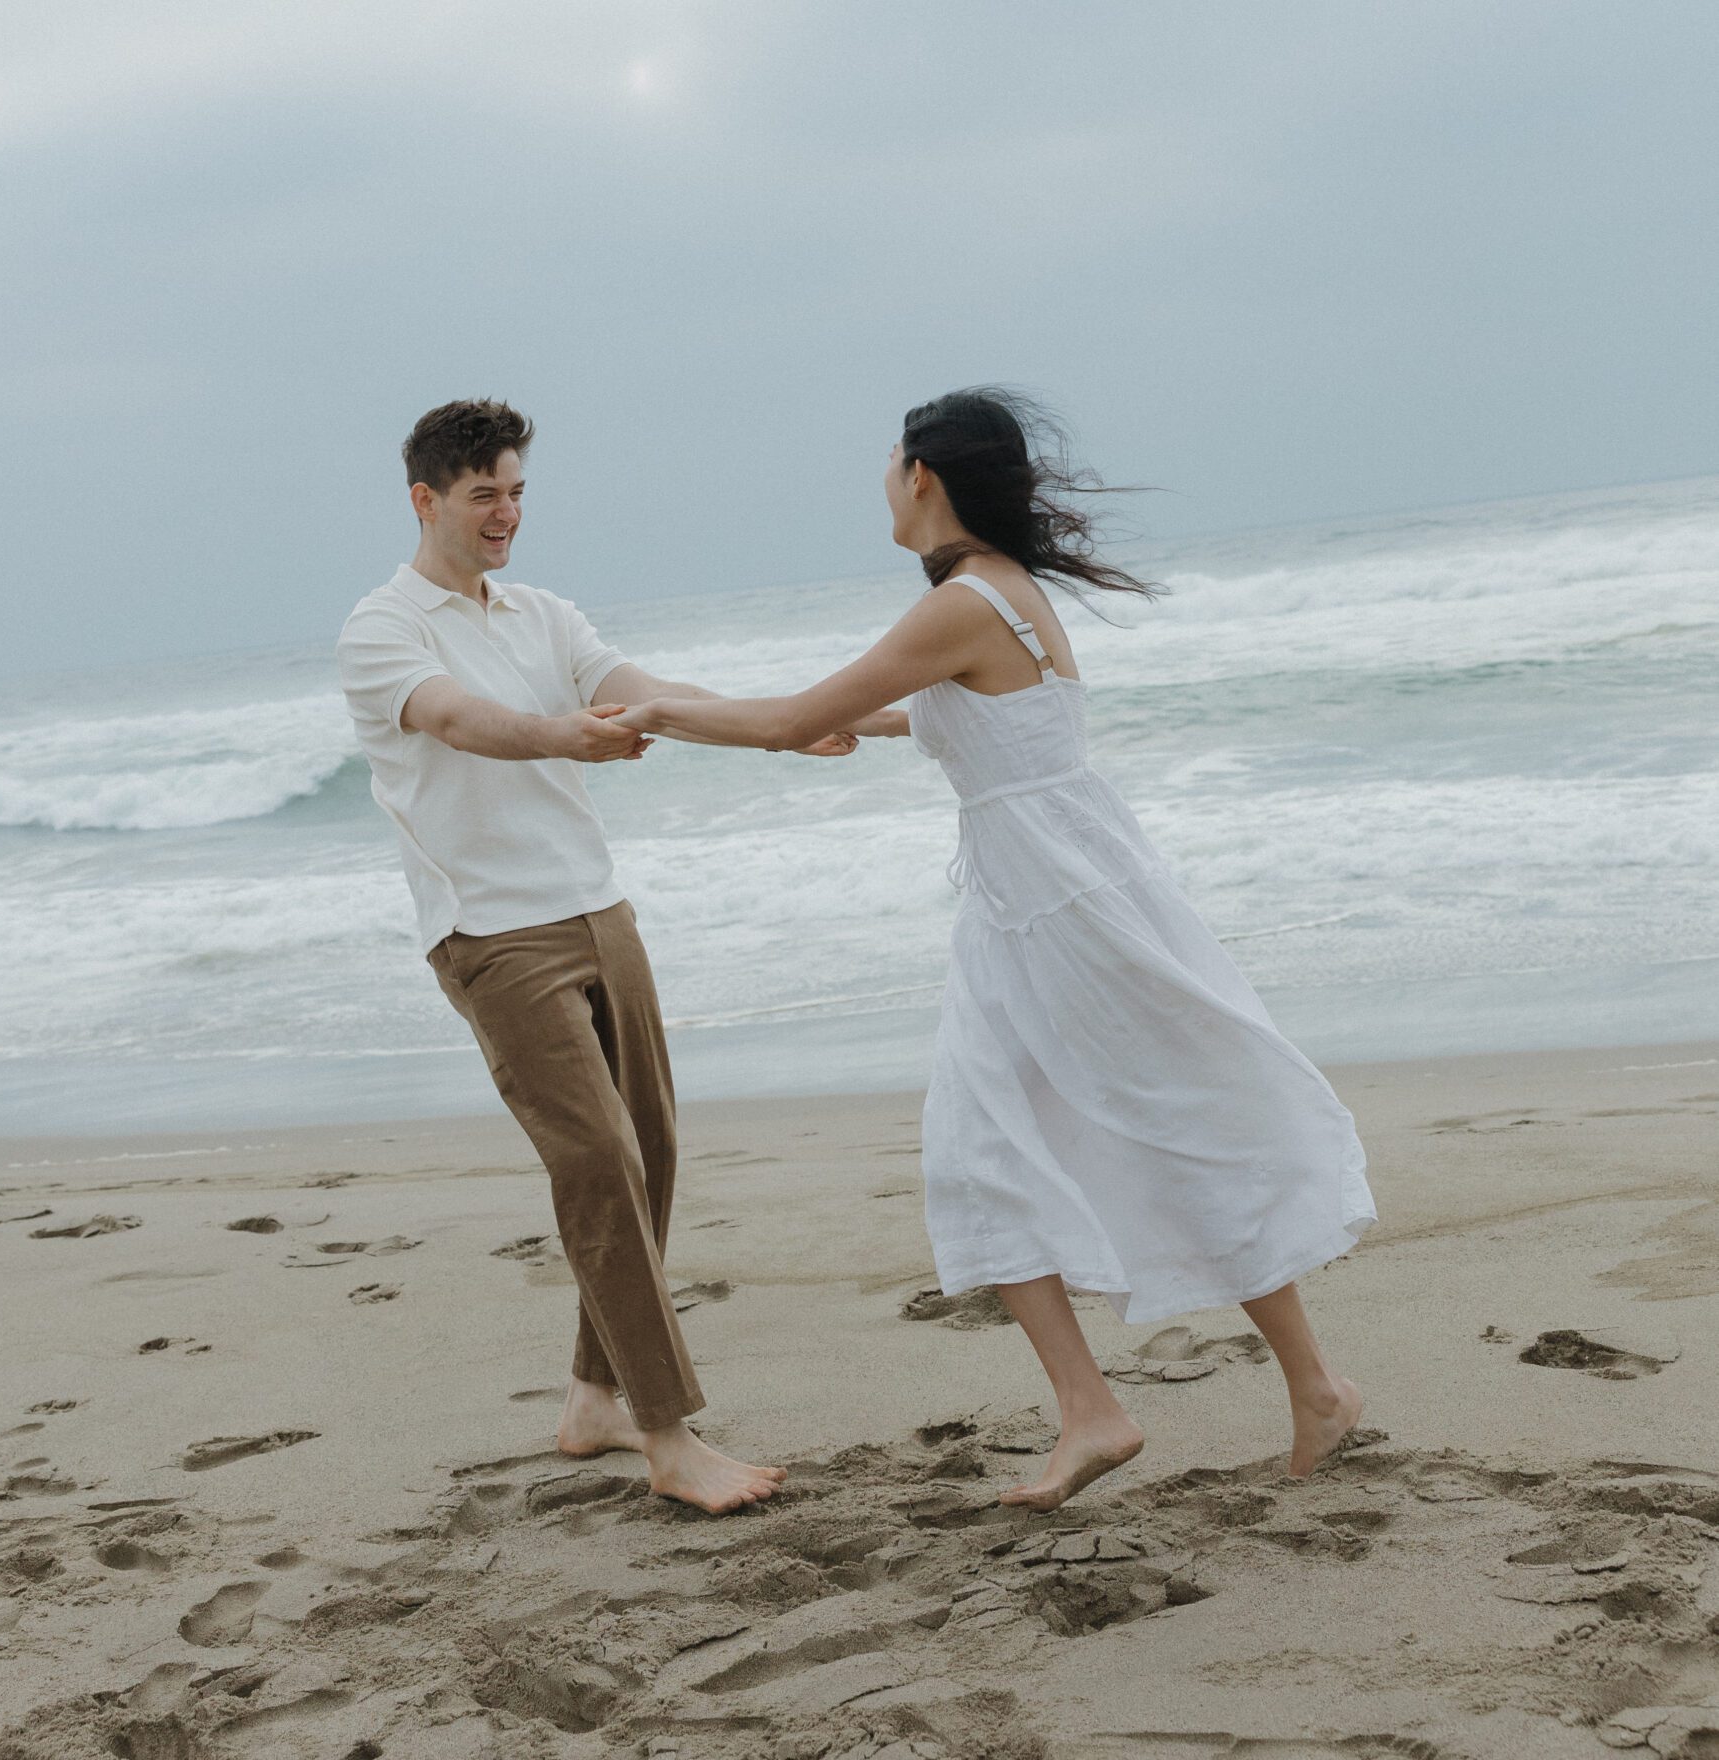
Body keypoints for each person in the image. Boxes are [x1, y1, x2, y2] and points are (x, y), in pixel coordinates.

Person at [615, 387, 1374, 1511]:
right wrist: (842, 724)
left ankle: (1184, 1400)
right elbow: (943, 716)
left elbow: (787, 717)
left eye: (888, 459)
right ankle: (1170, 1402)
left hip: (1055, 909)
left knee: (1064, 1142)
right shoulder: (994, 597)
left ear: (923, 473)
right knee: (1067, 1137)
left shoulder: (966, 599)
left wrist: (653, 715)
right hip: (1045, 897)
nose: (880, 477)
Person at [337, 398, 845, 1513]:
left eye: (516, 491)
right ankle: (668, 1437)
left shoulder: (539, 613)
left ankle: (594, 1398)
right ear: (426, 501)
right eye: (483, 497)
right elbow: (462, 721)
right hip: (490, 930)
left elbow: (649, 690)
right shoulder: (382, 629)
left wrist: (795, 723)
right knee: (595, 1159)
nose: (506, 514)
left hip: (594, 907)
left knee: (650, 1152)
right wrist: (570, 733)